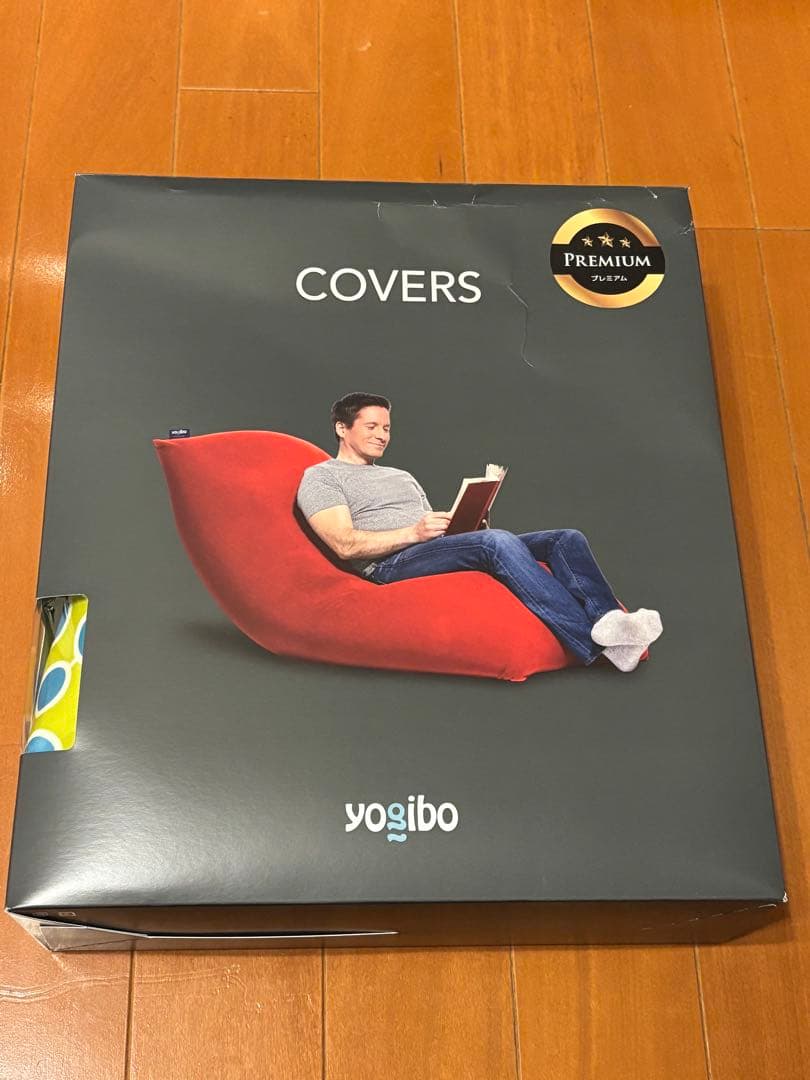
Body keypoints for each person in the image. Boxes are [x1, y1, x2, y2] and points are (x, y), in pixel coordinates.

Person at [296, 392, 662, 672]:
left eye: (387, 428)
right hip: (389, 563)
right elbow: (344, 545)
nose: (382, 436)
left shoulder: (400, 475)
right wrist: (414, 532)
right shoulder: (322, 477)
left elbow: (432, 530)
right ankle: (596, 645)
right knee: (495, 542)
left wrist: (467, 524)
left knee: (564, 538)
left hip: (429, 546)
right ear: (342, 428)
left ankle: (609, 619)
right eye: (371, 427)